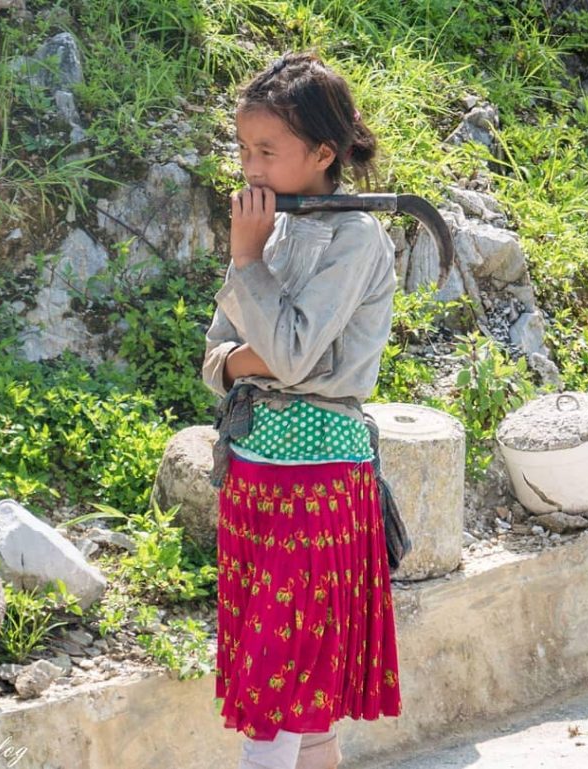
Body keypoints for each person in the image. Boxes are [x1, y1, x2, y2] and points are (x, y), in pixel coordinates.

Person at [201, 52, 402, 769]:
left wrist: (248, 271)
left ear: (322, 153)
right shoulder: (274, 229)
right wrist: (249, 355)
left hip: (316, 485)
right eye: (243, 148)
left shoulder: (356, 239)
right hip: (256, 478)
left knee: (280, 674)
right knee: (292, 686)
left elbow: (279, 355)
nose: (249, 167)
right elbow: (217, 359)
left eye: (266, 151)